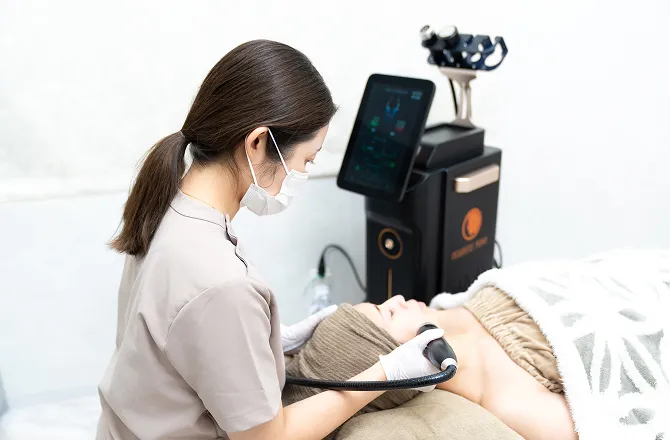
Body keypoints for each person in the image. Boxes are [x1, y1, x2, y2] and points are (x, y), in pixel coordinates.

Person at [96, 39, 446, 440]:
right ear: (258, 142)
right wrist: (386, 374)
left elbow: (172, 341)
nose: (302, 174)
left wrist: (267, 343)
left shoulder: (168, 205)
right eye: (306, 160)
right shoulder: (223, 283)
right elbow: (267, 437)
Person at [283, 292, 579, 440]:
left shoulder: (449, 305)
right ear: (403, 361)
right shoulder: (512, 399)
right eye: (388, 312)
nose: (398, 298)